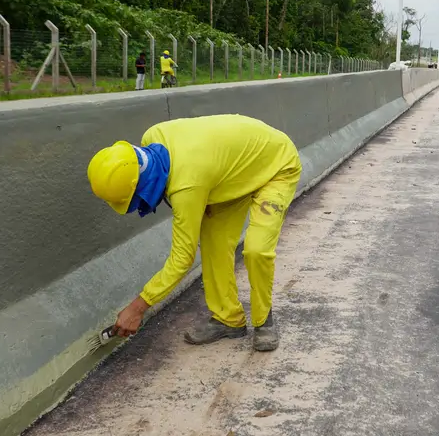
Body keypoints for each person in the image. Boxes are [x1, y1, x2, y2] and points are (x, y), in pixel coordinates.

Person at [86, 114, 302, 352]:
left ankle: (264, 322)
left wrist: (138, 307)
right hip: (231, 171)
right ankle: (228, 319)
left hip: (277, 165)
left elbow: (182, 259)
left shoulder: (187, 186)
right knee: (214, 243)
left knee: (256, 249)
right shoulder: (152, 137)